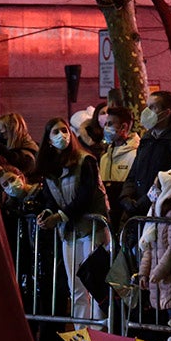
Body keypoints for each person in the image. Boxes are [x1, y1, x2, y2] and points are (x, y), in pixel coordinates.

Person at [36, 117, 111, 328]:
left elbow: (85, 196)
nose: (63, 135)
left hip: (92, 229)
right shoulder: (49, 167)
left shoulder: (85, 160)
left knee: (95, 285)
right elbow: (50, 196)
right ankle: (82, 337)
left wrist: (59, 217)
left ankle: (98, 335)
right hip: (68, 232)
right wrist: (48, 213)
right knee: (75, 286)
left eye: (65, 130)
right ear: (48, 140)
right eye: (56, 132)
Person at [0, 163, 69, 341]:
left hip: (49, 253)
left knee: (50, 297)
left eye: (12, 179)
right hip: (30, 257)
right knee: (32, 298)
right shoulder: (12, 206)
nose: (11, 185)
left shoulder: (42, 193)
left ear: (21, 176)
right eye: (5, 184)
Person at [119, 91, 171, 226]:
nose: (147, 111)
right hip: (138, 211)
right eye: (147, 106)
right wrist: (126, 197)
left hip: (161, 212)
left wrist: (145, 201)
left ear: (166, 113)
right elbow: (134, 172)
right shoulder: (147, 138)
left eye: (153, 107)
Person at [138, 169, 171, 320]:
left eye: (158, 187)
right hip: (159, 282)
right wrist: (144, 272)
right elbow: (149, 246)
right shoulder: (156, 213)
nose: (154, 191)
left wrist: (157, 272)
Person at [99, 106, 139, 233]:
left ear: (123, 127)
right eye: (105, 124)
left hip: (126, 218)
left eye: (110, 124)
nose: (106, 128)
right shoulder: (104, 157)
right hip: (108, 218)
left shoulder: (136, 155)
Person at [0, 112, 39, 177]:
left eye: (0, 130)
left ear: (11, 132)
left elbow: (14, 159)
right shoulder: (22, 147)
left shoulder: (28, 157)